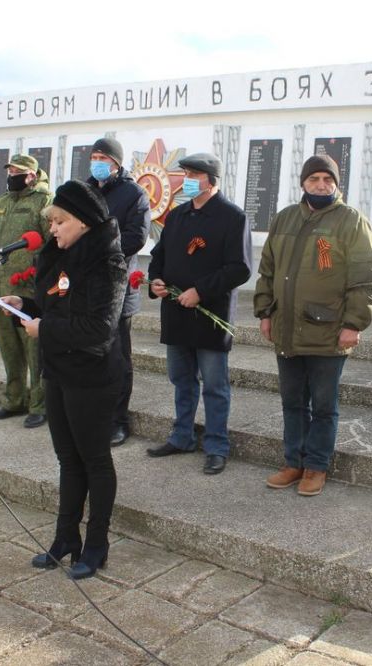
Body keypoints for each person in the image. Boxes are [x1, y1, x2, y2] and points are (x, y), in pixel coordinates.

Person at [1, 180, 126, 579]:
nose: (53, 229)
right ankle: (65, 538)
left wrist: (45, 329)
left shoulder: (108, 263)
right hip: (57, 371)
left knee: (94, 461)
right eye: (51, 221)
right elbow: (59, 304)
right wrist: (27, 305)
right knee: (67, 460)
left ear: (85, 222)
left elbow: (97, 328)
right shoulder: (59, 256)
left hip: (92, 376)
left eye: (60, 221)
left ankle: (97, 544)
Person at [255, 155, 372, 496]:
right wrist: (265, 313)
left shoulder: (350, 221)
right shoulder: (285, 219)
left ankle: (316, 467)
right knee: (292, 402)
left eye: (328, 179)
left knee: (324, 406)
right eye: (314, 179)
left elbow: (364, 279)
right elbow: (267, 272)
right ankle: (293, 462)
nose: (321, 185)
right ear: (303, 183)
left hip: (328, 331)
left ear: (337, 184)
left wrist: (354, 324)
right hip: (287, 329)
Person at [145, 153, 252, 475]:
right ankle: (182, 436)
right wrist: (157, 282)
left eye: (194, 174)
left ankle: (217, 445)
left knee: (214, 385)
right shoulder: (177, 216)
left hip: (209, 313)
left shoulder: (232, 217)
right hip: (176, 313)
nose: (187, 180)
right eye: (186, 173)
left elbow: (240, 268)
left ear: (212, 180)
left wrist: (201, 291)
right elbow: (157, 257)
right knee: (181, 380)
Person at [0, 154, 51, 429]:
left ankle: (39, 404)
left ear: (31, 175)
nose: (11, 175)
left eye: (17, 171)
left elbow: (50, 247)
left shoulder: (44, 202)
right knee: (9, 350)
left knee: (34, 352)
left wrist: (38, 282)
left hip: (27, 292)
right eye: (9, 170)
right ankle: (14, 399)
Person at [86, 137, 151, 447]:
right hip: (86, 287)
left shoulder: (133, 194)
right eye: (94, 156)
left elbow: (136, 237)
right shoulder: (85, 191)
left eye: (103, 157)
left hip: (117, 288)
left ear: (116, 162)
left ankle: (118, 420)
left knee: (117, 359)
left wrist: (99, 250)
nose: (97, 161)